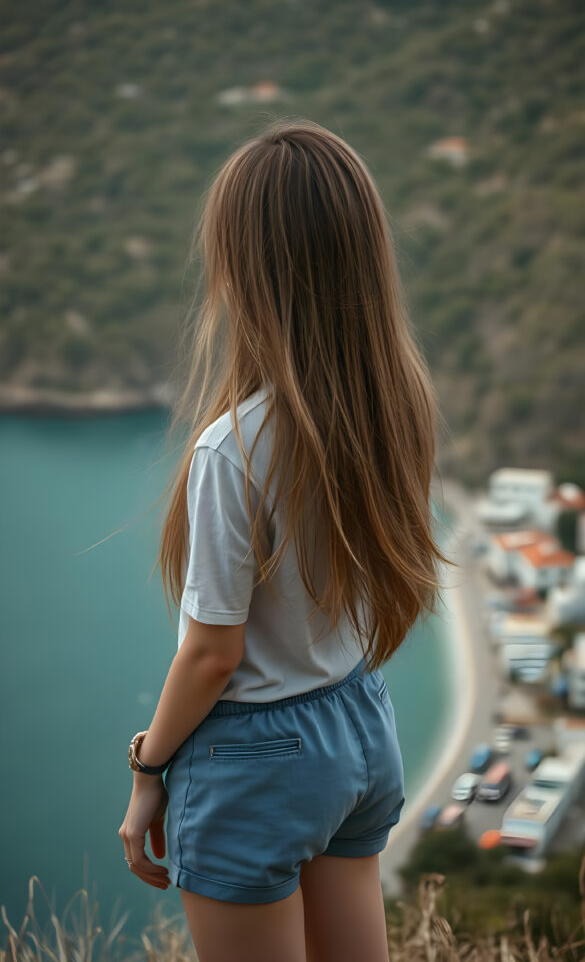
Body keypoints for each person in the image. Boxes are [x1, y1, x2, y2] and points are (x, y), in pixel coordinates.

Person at [118, 118, 454, 962]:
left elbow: (211, 656)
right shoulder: (397, 402)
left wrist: (147, 771)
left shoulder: (230, 447)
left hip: (255, 759)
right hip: (357, 725)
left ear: (243, 270)